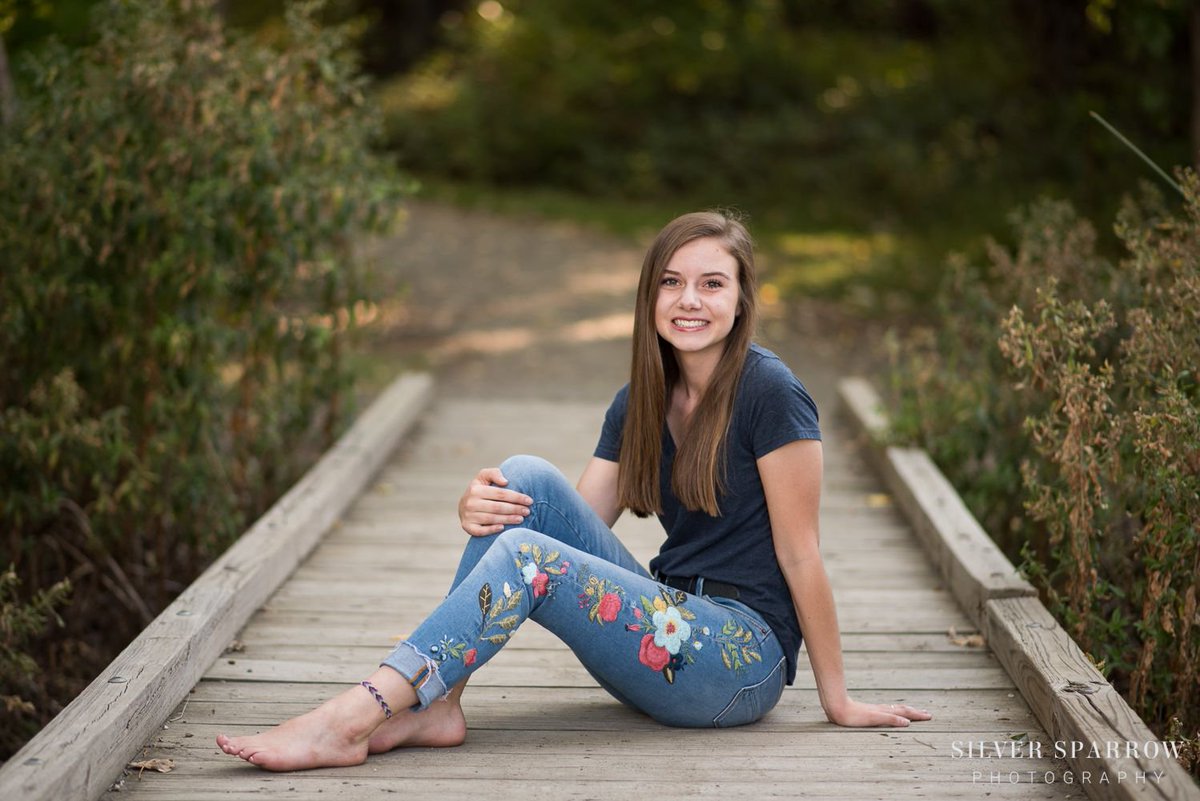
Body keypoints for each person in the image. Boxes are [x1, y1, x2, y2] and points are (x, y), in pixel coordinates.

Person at [216, 210, 932, 771]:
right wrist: (480, 510)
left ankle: (357, 711)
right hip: (673, 624)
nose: (690, 300)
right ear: (649, 294)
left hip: (739, 661)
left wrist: (837, 699)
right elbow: (559, 528)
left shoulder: (772, 392)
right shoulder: (642, 399)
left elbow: (803, 554)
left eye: (713, 283)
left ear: (742, 301)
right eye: (672, 281)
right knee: (524, 478)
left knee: (528, 552)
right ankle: (440, 705)